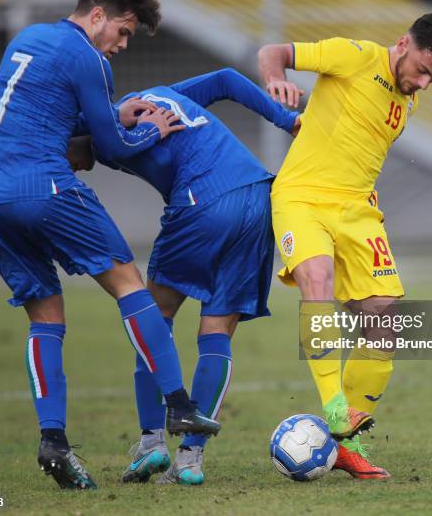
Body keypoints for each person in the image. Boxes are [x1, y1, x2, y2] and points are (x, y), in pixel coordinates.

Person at [0, 0, 219, 491]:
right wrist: (148, 128)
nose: (123, 45)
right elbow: (110, 149)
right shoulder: (89, 56)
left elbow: (50, 112)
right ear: (98, 14)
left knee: (45, 315)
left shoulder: (29, 38)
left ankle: (54, 442)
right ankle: (178, 407)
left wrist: (113, 113)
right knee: (130, 283)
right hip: (47, 189)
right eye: (124, 31)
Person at [258, 10, 432, 479]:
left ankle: (345, 443)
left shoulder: (406, 102)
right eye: (422, 70)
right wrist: (277, 80)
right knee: (318, 278)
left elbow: (359, 150)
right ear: (403, 44)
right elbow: (272, 53)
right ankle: (334, 408)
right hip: (303, 197)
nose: (423, 84)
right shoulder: (352, 56)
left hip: (358, 212)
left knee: (386, 323)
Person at [67, 67, 300, 485]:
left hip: (203, 202)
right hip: (258, 196)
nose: (68, 168)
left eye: (59, 154)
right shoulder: (154, 91)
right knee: (217, 332)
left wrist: (77, 128)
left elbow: (89, 123)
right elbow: (227, 78)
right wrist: (290, 120)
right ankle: (191, 460)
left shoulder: (108, 136)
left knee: (149, 318)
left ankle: (152, 443)